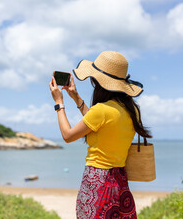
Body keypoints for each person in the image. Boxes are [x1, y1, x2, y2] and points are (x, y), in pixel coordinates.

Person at [49, 51, 152, 219]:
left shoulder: (101, 110)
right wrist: (76, 98)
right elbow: (99, 124)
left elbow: (68, 136)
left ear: (98, 82)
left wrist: (59, 103)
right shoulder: (131, 110)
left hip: (97, 180)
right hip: (120, 179)